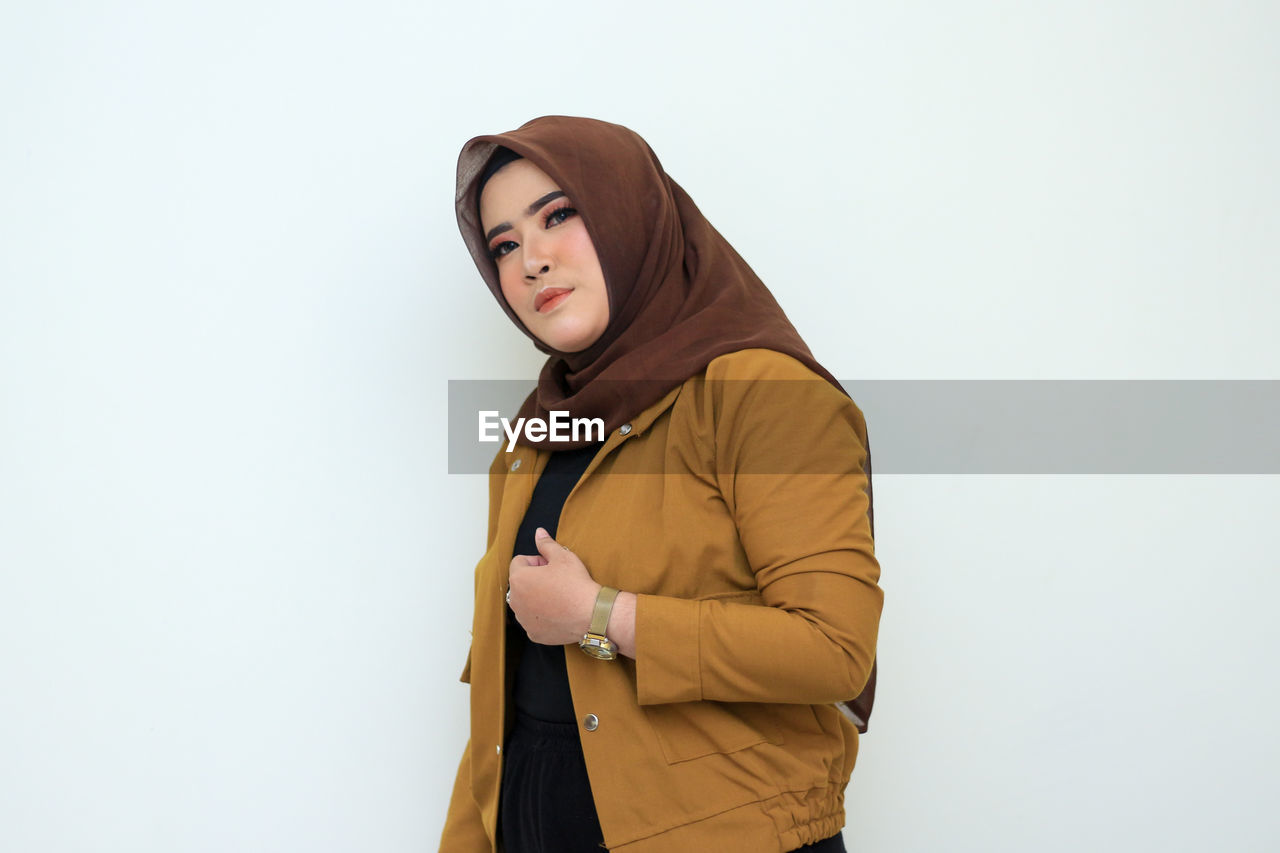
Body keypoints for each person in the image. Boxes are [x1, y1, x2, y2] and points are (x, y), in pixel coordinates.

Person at [440, 116, 882, 853]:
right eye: (505, 245)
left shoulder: (760, 391)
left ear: (629, 214)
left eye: (558, 215)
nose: (532, 261)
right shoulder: (535, 435)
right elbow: (502, 702)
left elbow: (833, 647)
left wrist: (599, 613)